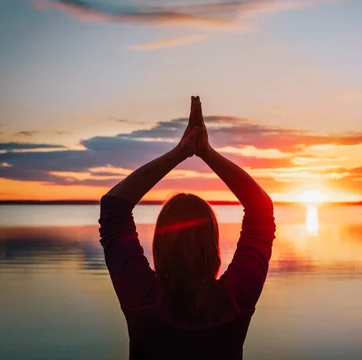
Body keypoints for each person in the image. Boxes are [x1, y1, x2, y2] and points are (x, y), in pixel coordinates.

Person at [98, 96, 276, 360]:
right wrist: (207, 153)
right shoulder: (234, 301)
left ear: (159, 245)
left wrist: (180, 152)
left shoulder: (143, 298)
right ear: (213, 246)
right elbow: (261, 211)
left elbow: (114, 208)